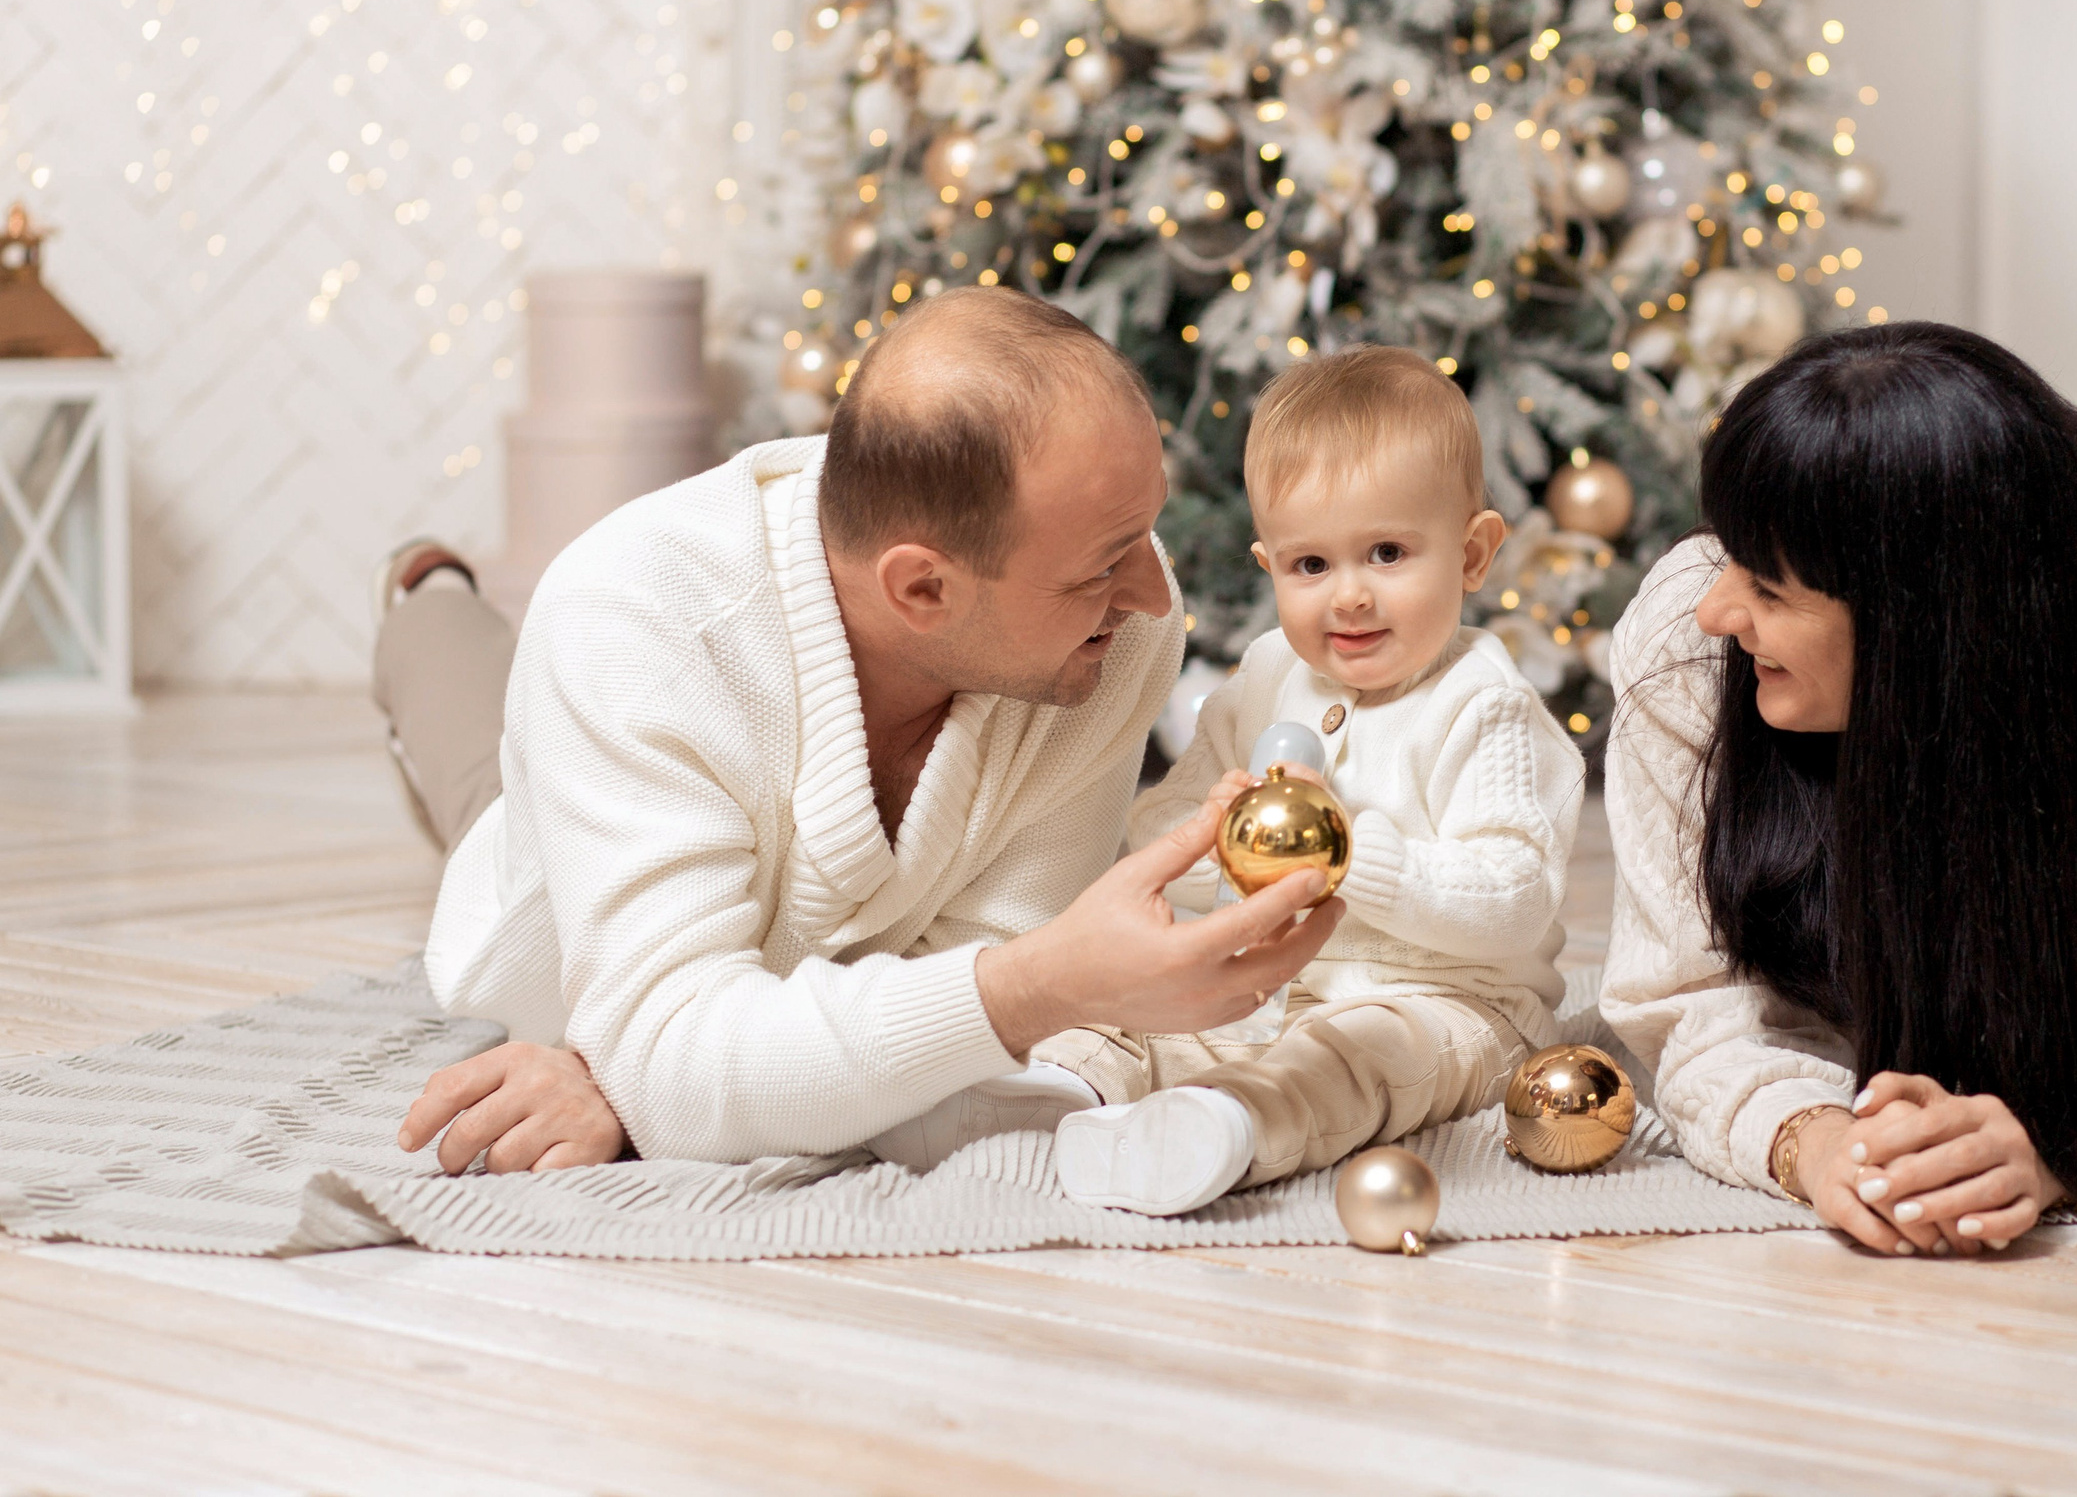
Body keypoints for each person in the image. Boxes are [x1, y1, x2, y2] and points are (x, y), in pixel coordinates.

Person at [377, 287, 1344, 1173]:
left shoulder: (1114, 634)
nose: (1153, 595)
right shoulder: (633, 623)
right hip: (547, 913)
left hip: (730, 874)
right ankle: (430, 598)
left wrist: (669, 1070)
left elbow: (948, 1039)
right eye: (1100, 567)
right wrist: (1037, 987)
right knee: (476, 765)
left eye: (1142, 535)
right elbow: (703, 1063)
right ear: (921, 588)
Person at [1602, 322, 2077, 1257]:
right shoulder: (1685, 640)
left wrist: (2063, 1151)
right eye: (1730, 554)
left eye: (1773, 590)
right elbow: (1689, 1002)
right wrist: (1816, 1145)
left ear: (1927, 624)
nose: (1719, 609)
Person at [1028, 346, 1586, 1215]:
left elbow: (1511, 899)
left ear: (1472, 554)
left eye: (1388, 553)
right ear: (1271, 567)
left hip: (1445, 999)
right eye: (1312, 566)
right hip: (1263, 985)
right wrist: (1223, 832)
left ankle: (1228, 1127)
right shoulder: (1265, 674)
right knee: (1127, 1009)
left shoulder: (1484, 706)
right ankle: (1053, 1091)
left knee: (1347, 1062)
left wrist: (1341, 853)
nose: (1348, 596)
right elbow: (1159, 831)